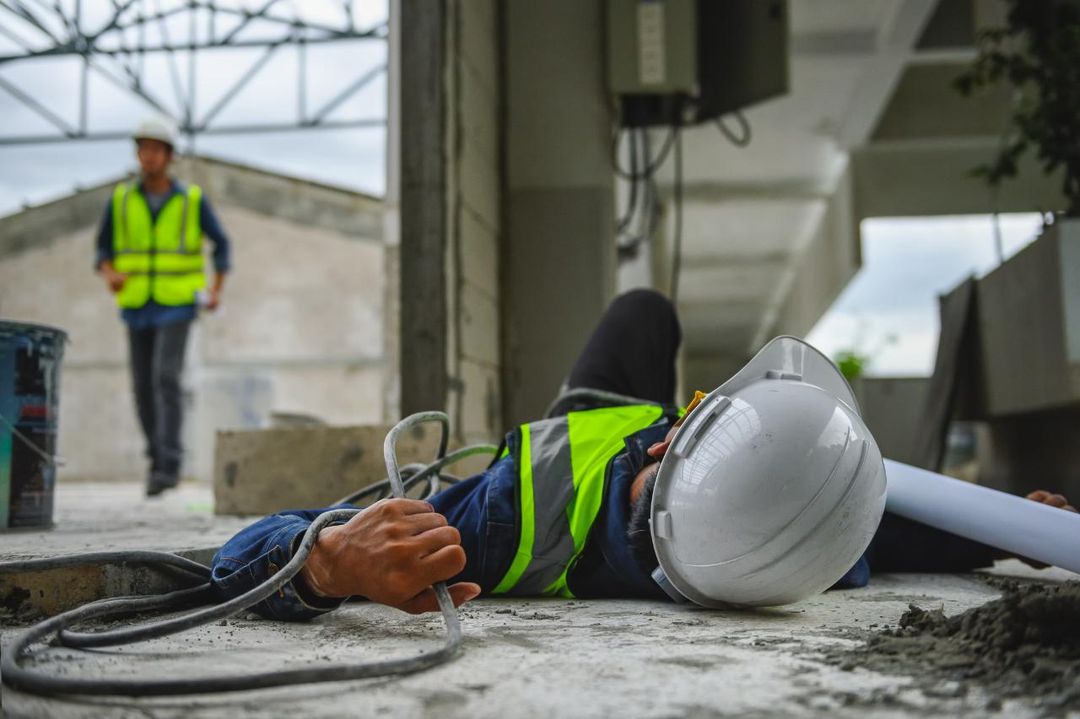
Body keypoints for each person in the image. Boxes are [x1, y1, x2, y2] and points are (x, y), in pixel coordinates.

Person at [210, 290, 1076, 619]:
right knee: (648, 317)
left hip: (578, 432)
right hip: (648, 448)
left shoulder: (499, 532)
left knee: (640, 312)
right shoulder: (808, 546)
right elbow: (898, 535)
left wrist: (327, 565)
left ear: (666, 440)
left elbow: (234, 563)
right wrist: (1003, 530)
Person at [94, 118, 231, 496]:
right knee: (142, 385)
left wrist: (215, 288)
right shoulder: (121, 199)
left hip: (177, 301)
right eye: (142, 148)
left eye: (155, 149)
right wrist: (109, 273)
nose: (147, 156)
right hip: (137, 302)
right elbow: (102, 249)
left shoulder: (191, 200)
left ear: (169, 156)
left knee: (165, 377)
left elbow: (222, 246)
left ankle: (169, 464)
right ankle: (157, 458)